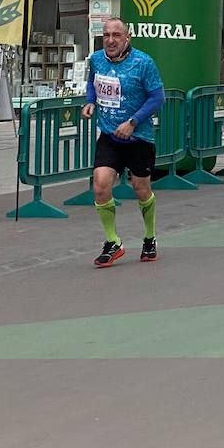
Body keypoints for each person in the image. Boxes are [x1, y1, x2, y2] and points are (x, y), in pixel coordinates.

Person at [83, 18, 165, 267]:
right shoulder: (96, 59)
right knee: (100, 185)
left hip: (138, 137)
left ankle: (150, 238)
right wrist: (90, 101)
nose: (110, 40)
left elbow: (157, 97)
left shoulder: (143, 62)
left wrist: (133, 122)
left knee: (141, 189)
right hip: (109, 136)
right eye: (106, 34)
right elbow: (92, 82)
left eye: (116, 35)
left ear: (127, 38)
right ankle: (113, 241)